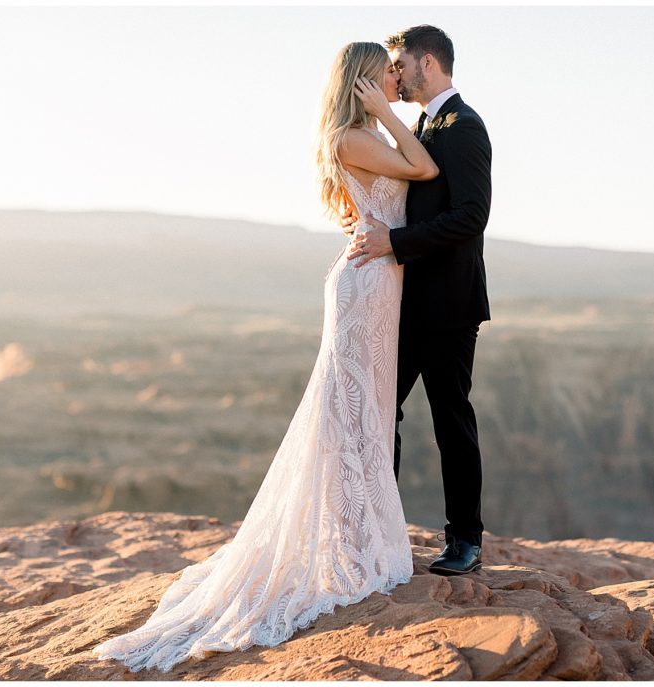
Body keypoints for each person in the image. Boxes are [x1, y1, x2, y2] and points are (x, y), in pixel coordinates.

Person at [90, 41, 437, 674]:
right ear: (362, 80)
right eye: (387, 74)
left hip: (381, 281)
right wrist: (390, 115)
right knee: (351, 410)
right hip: (365, 286)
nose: (396, 79)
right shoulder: (354, 137)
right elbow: (425, 171)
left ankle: (358, 536)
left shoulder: (363, 134)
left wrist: (386, 114)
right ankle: (355, 544)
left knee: (368, 407)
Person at [342, 24, 492, 577]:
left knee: (451, 419)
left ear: (427, 64)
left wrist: (396, 242)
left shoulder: (464, 126)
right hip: (401, 300)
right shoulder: (423, 126)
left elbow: (472, 216)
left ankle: (466, 540)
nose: (396, 75)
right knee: (384, 414)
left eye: (401, 65)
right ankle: (383, 533)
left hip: (449, 305)